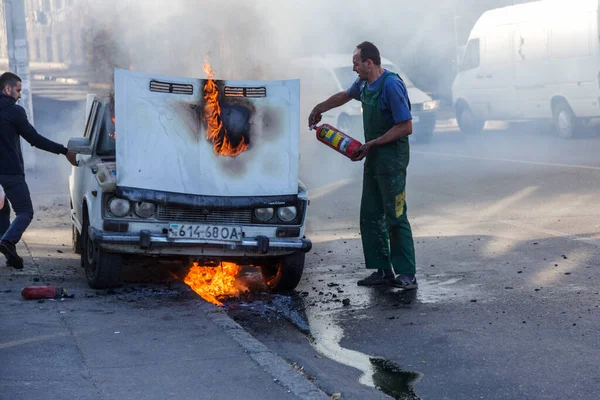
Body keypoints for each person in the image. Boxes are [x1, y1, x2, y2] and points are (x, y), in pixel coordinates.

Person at [308, 42, 417, 289]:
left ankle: (407, 273)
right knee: (370, 213)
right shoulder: (364, 84)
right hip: (374, 155)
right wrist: (319, 108)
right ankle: (383, 271)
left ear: (370, 63)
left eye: (356, 62)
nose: (354, 67)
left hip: (393, 157)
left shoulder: (391, 85)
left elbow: (405, 126)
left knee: (396, 214)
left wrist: (373, 143)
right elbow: (344, 95)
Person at [0, 72, 77, 269]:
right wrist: (64, 151)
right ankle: (8, 242)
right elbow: (34, 139)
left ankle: (11, 256)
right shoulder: (14, 111)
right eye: (18, 90)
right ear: (7, 89)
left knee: (3, 209)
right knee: (25, 211)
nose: (19, 95)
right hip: (10, 172)